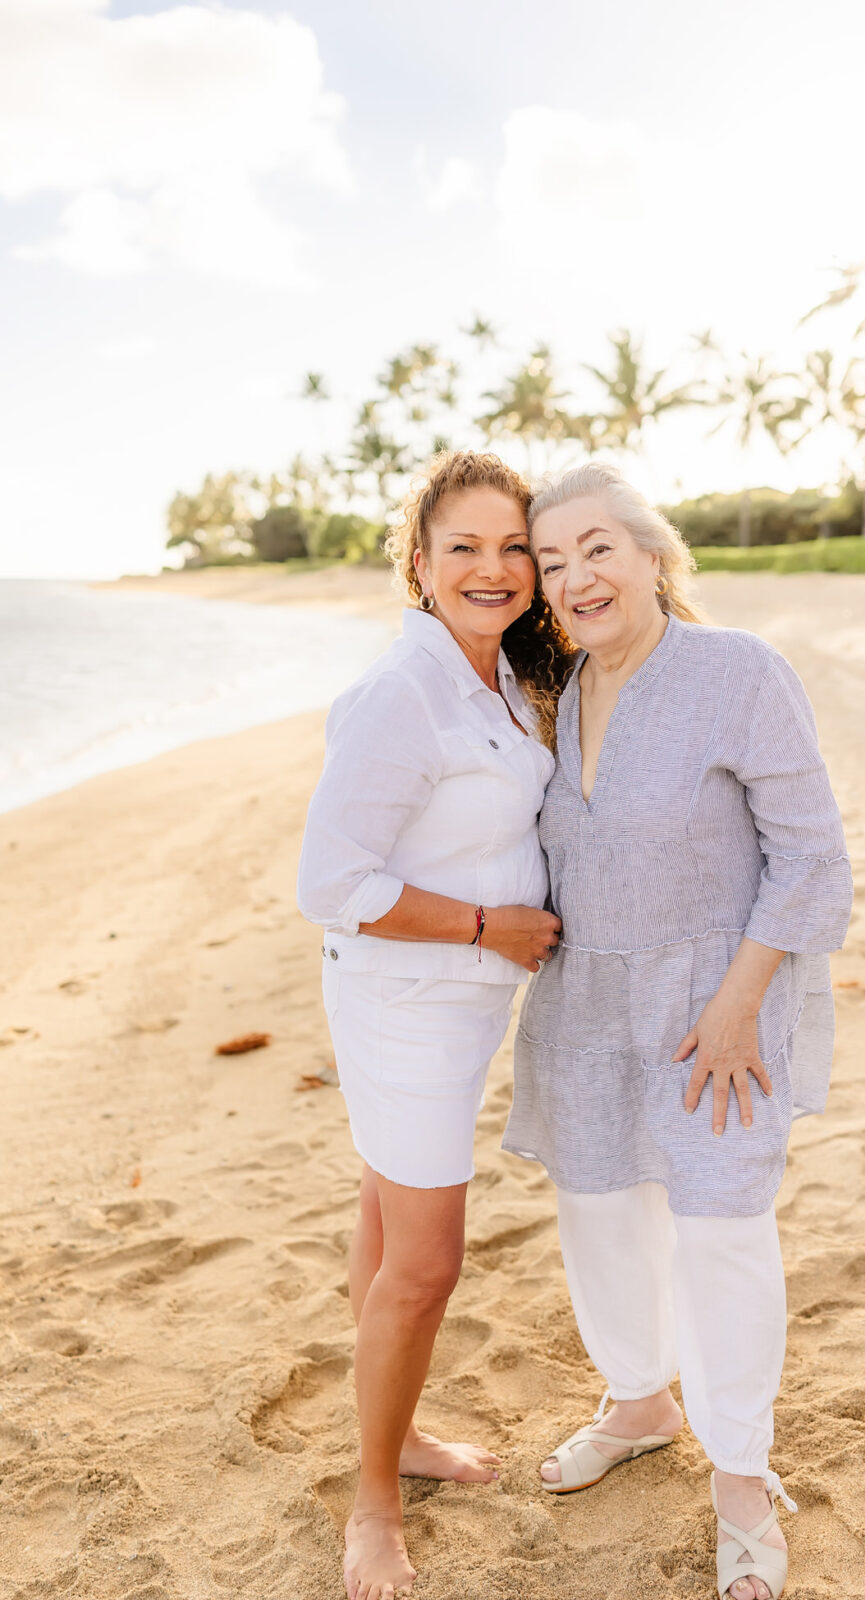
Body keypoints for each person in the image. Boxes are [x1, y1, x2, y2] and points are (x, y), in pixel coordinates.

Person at [503, 462, 852, 1600]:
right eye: (551, 563)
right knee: (599, 1216)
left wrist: (739, 1002)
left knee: (719, 1234)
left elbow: (810, 855)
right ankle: (639, 1399)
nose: (575, 578)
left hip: (718, 1007)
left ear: (655, 555)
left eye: (597, 547)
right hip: (583, 1005)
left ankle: (742, 1477)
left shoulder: (736, 672)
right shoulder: (553, 689)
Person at [297, 450, 572, 1600]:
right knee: (425, 1265)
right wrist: (485, 926)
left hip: (453, 1005)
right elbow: (331, 879)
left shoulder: (500, 675)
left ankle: (395, 1438)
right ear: (417, 566)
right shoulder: (404, 691)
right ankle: (372, 1502)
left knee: (379, 1209)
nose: (493, 567)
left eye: (513, 545)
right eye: (462, 546)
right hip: (408, 1003)